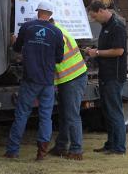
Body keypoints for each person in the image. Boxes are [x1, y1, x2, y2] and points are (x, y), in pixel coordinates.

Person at [5, 1, 64, 160]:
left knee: (22, 114)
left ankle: (12, 151)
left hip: (30, 79)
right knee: (46, 116)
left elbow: (16, 48)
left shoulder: (27, 27)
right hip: (47, 81)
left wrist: (15, 41)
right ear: (50, 14)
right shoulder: (57, 33)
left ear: (38, 12)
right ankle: (41, 153)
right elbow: (59, 58)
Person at [85, 0, 127, 155]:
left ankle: (119, 148)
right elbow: (106, 48)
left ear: (101, 11)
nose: (94, 20)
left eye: (94, 16)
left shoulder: (117, 27)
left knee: (115, 111)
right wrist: (94, 50)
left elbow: (118, 51)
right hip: (105, 75)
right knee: (108, 111)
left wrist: (97, 53)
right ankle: (110, 144)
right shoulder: (105, 26)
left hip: (113, 76)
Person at [48, 18, 88, 161]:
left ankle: (76, 150)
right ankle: (61, 146)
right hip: (73, 76)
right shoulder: (59, 29)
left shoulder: (54, 34)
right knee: (65, 114)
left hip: (72, 78)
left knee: (71, 115)